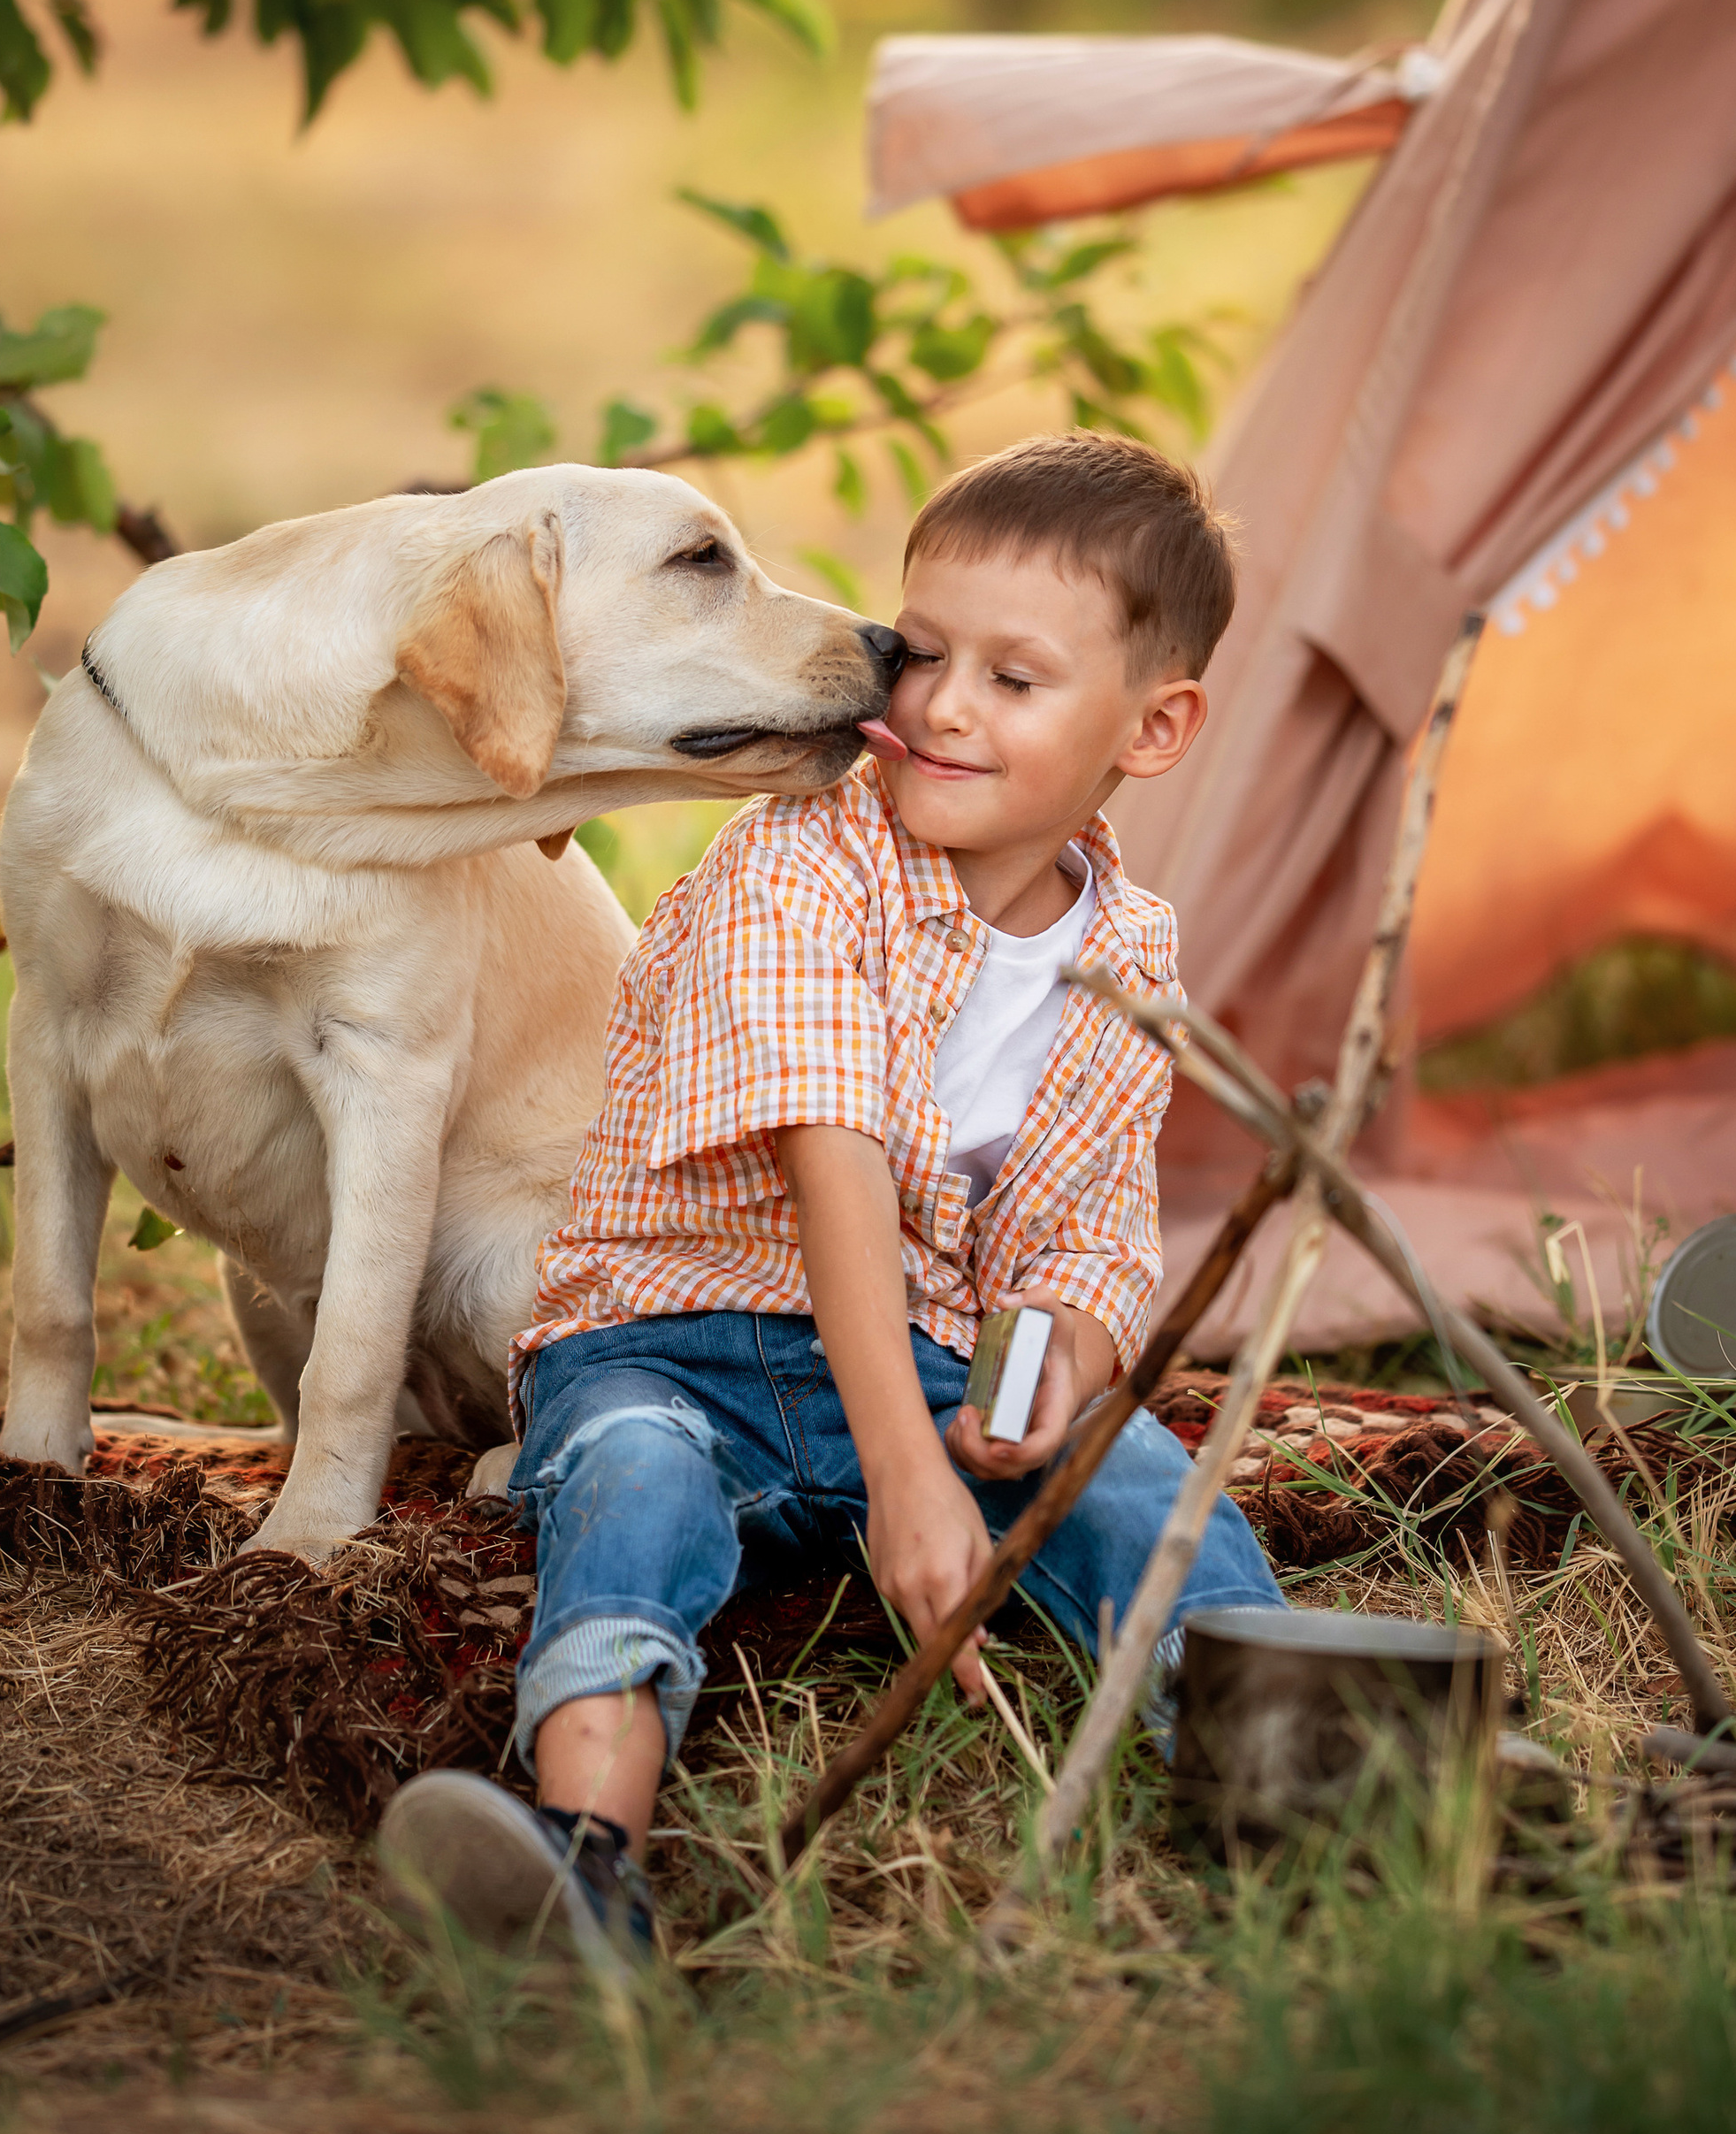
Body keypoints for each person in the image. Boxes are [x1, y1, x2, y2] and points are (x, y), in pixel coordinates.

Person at [379, 433, 1287, 1972]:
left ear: (1155, 727)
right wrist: (909, 1484)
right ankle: (584, 1849)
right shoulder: (794, 868)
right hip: (676, 1341)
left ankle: (1300, 1764)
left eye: (1015, 678)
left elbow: (1080, 1234)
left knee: (1135, 1475)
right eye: (924, 653)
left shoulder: (1127, 955)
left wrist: (1033, 1383)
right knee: (633, 1487)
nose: (940, 706)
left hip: (924, 1361)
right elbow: (833, 1164)